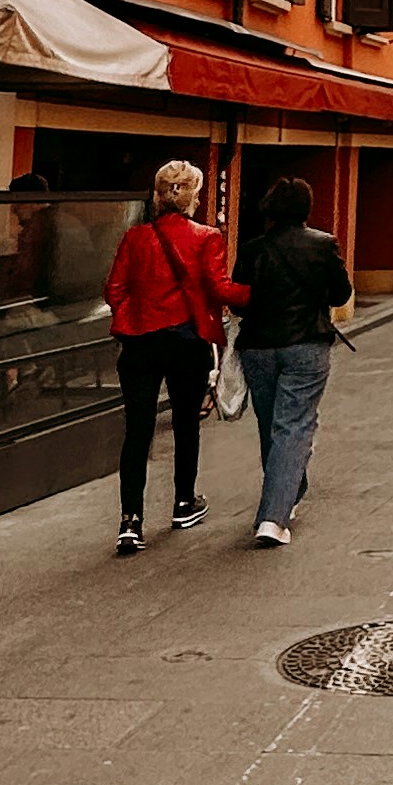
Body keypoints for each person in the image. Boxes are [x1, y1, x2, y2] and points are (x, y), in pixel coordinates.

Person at [103, 160, 242, 557]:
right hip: (186, 341)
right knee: (186, 424)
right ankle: (184, 502)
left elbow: (114, 289)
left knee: (138, 433)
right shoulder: (207, 237)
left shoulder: (135, 237)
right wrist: (256, 296)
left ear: (160, 195)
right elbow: (219, 288)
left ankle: (131, 522)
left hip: (140, 343)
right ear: (192, 197)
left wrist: (133, 319)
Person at [234, 170, 353, 545]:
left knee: (273, 425)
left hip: (258, 348)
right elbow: (340, 294)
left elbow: (242, 297)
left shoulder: (252, 249)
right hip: (305, 345)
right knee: (294, 426)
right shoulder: (323, 245)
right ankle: (273, 517)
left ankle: (287, 494)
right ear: (306, 208)